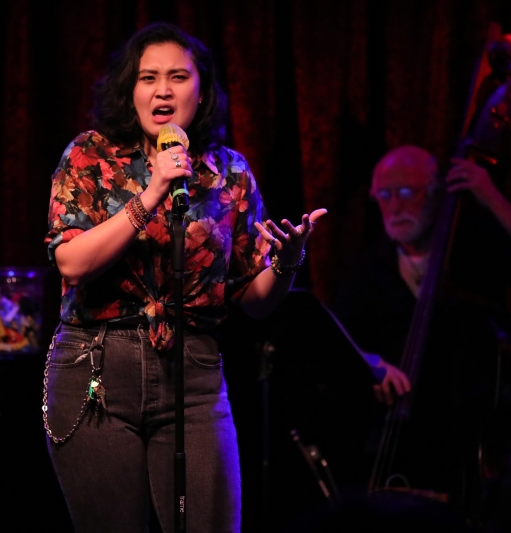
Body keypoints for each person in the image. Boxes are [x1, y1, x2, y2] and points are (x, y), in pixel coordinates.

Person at [42, 22, 325, 533]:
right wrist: (151, 193)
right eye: (149, 77)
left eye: (178, 76)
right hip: (97, 369)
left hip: (192, 373)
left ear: (201, 89)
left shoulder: (227, 172)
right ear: (132, 90)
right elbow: (72, 262)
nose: (163, 90)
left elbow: (255, 299)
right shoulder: (89, 156)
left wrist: (287, 261)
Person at [328, 145, 511, 500]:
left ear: (437, 193)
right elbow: (338, 348)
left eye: (406, 193)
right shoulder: (366, 270)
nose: (395, 206)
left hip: (470, 444)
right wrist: (370, 366)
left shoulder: (472, 251)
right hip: (394, 444)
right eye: (384, 195)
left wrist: (489, 195)